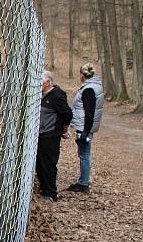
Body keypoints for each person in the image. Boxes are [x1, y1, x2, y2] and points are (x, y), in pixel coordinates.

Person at [35, 71, 72, 202]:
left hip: (51, 135)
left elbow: (68, 113)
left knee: (49, 164)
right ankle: (44, 188)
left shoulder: (57, 95)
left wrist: (64, 129)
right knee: (39, 163)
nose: (38, 84)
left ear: (47, 82)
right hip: (40, 134)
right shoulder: (40, 95)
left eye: (40, 81)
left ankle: (51, 193)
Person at [67, 63, 104, 194]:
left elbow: (89, 112)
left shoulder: (88, 89)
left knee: (84, 154)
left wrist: (86, 132)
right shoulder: (95, 86)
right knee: (84, 154)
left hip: (84, 127)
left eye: (80, 75)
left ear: (83, 75)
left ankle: (83, 183)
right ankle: (83, 182)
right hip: (84, 126)